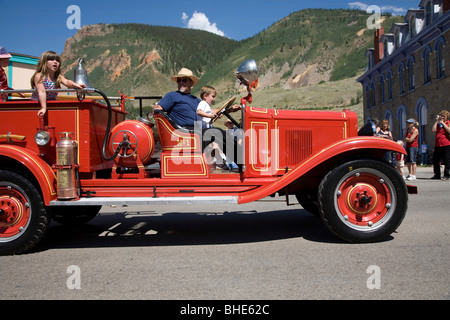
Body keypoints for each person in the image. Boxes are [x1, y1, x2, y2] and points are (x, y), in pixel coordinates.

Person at [153, 68, 240, 156]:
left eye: (184, 80)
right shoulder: (172, 96)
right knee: (217, 132)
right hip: (183, 131)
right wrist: (156, 111)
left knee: (220, 133)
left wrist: (229, 109)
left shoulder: (196, 100)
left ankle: (240, 160)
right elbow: (158, 108)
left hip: (196, 130)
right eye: (179, 81)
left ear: (191, 83)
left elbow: (210, 111)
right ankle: (242, 160)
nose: (181, 83)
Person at [30, 51, 85, 117]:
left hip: (52, 103)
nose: (55, 62)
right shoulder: (39, 76)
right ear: (44, 62)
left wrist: (75, 85)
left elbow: (67, 82)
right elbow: (42, 92)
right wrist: (43, 107)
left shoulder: (58, 77)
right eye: (51, 59)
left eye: (57, 60)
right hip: (38, 104)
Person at [431, 110, 450, 181]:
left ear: (447, 117)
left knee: (447, 160)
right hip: (438, 144)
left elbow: (449, 131)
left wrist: (443, 123)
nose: (442, 118)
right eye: (441, 116)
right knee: (436, 160)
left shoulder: (448, 123)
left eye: (444, 116)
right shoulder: (438, 124)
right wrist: (437, 121)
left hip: (446, 144)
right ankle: (437, 174)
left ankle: (447, 175)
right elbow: (433, 129)